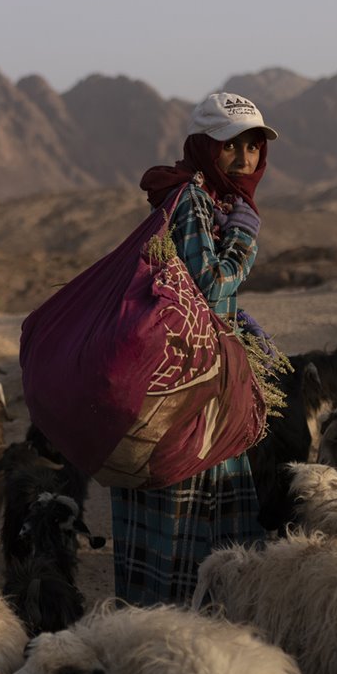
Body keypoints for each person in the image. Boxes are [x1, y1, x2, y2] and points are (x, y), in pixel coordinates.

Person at [110, 91, 276, 606]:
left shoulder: (204, 199)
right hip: (192, 386)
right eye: (231, 145)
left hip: (192, 373)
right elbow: (207, 284)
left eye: (253, 146)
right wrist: (245, 239)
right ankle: (185, 627)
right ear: (206, 147)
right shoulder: (193, 201)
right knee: (192, 503)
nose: (245, 158)